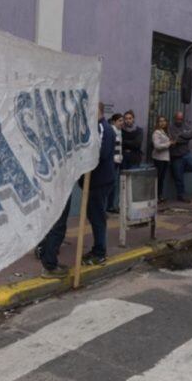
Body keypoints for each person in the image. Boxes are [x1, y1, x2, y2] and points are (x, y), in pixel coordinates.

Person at [81, 102, 116, 265]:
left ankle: (100, 252)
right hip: (96, 181)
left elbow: (100, 154)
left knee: (97, 217)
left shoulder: (103, 129)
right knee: (95, 215)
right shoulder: (97, 128)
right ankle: (98, 248)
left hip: (99, 181)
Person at [35, 193, 73, 279]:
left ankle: (47, 259)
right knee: (58, 228)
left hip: (49, 191)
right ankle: (50, 266)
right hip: (59, 192)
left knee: (51, 225)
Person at [168, 110, 192, 202]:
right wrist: (184, 138)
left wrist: (180, 138)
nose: (179, 121)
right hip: (176, 156)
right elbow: (173, 139)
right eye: (178, 119)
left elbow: (191, 134)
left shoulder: (185, 125)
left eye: (181, 119)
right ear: (174, 118)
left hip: (186, 153)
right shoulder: (171, 127)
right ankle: (181, 196)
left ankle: (178, 170)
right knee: (179, 179)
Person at [151, 115, 172, 203]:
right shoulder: (157, 132)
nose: (162, 123)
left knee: (161, 178)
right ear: (157, 123)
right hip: (159, 158)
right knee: (158, 178)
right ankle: (156, 197)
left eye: (164, 121)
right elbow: (157, 146)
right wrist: (168, 144)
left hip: (165, 158)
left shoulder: (165, 132)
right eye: (160, 121)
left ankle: (160, 196)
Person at [106, 113, 124, 213]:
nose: (122, 123)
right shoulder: (111, 131)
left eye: (122, 120)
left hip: (117, 161)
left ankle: (110, 205)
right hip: (112, 161)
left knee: (114, 184)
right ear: (114, 122)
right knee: (110, 184)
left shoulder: (119, 131)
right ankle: (108, 206)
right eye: (120, 121)